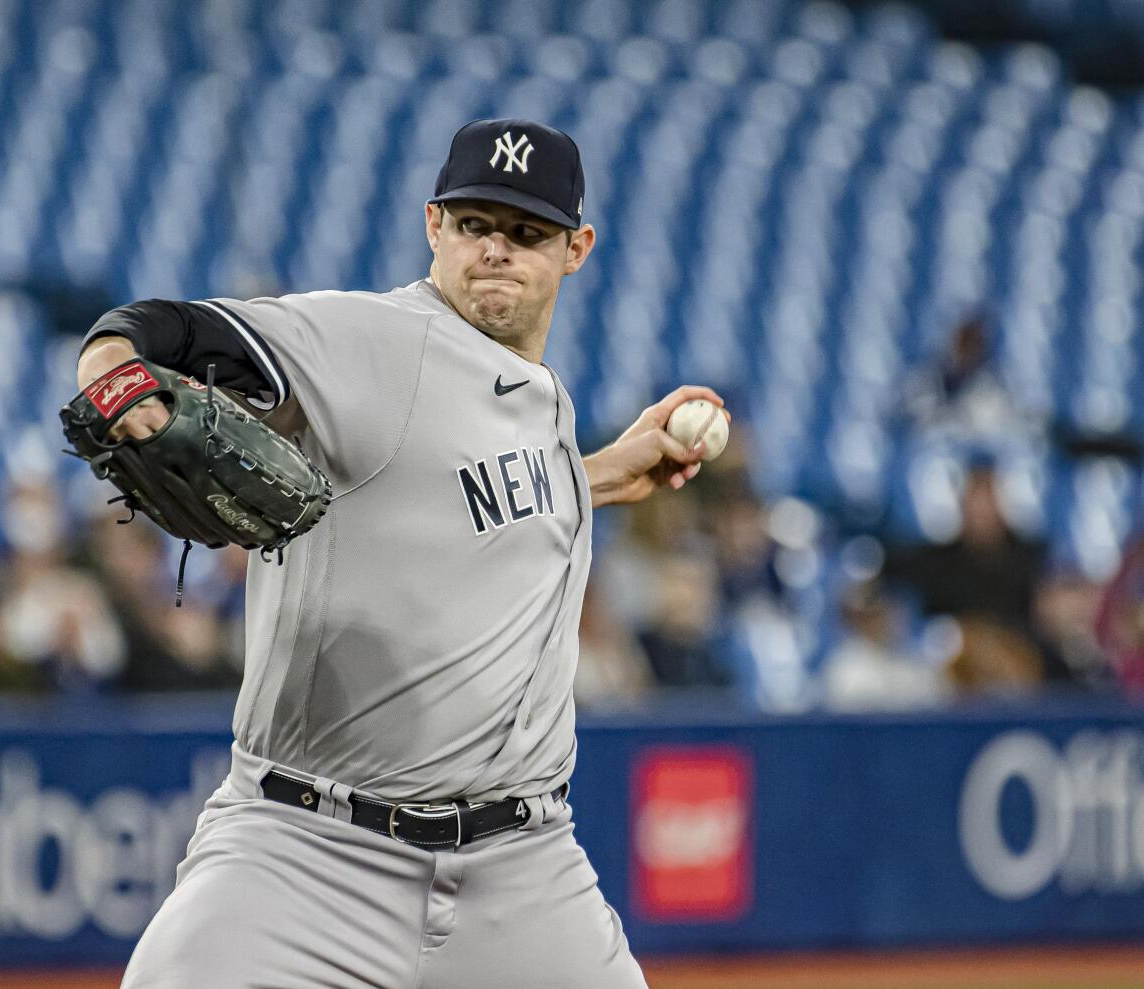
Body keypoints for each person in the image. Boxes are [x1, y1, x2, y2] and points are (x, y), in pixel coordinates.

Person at [73, 118, 723, 988]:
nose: (495, 249)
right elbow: (156, 329)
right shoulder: (366, 342)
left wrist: (597, 472)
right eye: (473, 225)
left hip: (522, 872)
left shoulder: (545, 402)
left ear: (577, 249)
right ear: (432, 226)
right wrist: (118, 381)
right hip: (307, 853)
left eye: (525, 233)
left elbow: (463, 493)